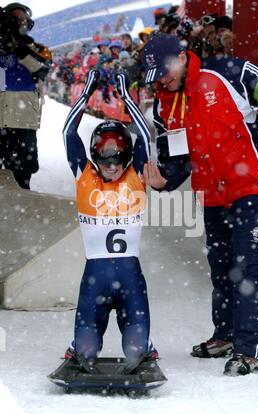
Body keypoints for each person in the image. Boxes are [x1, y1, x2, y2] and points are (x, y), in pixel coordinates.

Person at [142, 33, 258, 376]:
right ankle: (226, 336)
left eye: (166, 71)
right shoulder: (164, 104)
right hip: (211, 194)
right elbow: (177, 160)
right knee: (222, 266)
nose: (163, 80)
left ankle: (249, 349)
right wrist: (163, 181)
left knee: (249, 267)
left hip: (251, 186)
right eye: (156, 77)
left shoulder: (230, 72)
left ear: (182, 57)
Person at [62, 70, 157, 372]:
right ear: (95, 156)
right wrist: (94, 89)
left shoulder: (135, 174)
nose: (112, 165)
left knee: (134, 351)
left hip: (108, 276)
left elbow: (144, 134)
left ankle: (142, 348)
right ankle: (87, 349)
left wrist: (123, 94)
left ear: (127, 157)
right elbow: (67, 133)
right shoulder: (89, 174)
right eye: (106, 158)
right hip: (116, 276)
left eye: (118, 159)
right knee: (87, 352)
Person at [0, 3, 51, 189]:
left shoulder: (37, 48)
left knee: (22, 174)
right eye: (16, 18)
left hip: (23, 122)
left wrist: (20, 50)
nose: (21, 22)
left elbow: (42, 70)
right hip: (0, 118)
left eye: (24, 18)